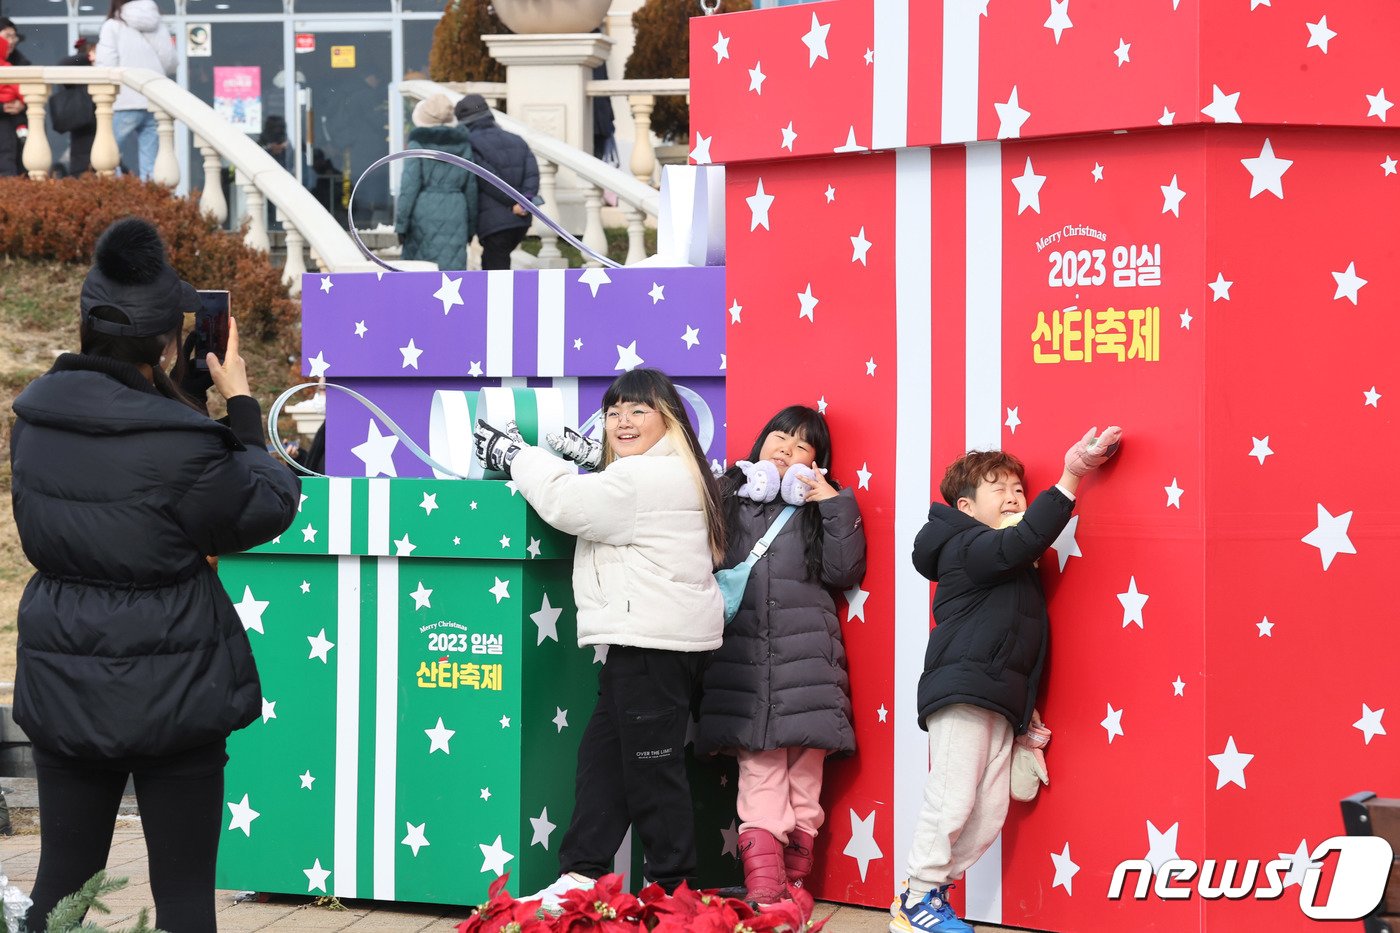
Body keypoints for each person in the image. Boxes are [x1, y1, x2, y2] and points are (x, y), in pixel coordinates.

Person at [10, 217, 300, 932]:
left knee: (60, 887)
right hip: (175, 682)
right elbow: (266, 503)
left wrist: (181, 404)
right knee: (181, 897)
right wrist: (237, 404)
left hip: (64, 667)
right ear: (169, 340)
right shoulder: (184, 444)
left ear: (84, 323)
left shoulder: (34, 420)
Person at [473, 368, 726, 907]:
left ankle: (674, 893)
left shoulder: (646, 479)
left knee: (652, 769)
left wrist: (514, 455)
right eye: (613, 412)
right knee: (603, 762)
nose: (621, 421)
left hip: (654, 643)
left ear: (670, 419)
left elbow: (572, 504)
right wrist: (591, 459)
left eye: (638, 410)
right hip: (645, 642)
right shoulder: (658, 472)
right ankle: (582, 873)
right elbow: (606, 491)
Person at [890, 427, 1122, 933]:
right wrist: (1071, 474)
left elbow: (1022, 639)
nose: (1015, 496)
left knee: (990, 810)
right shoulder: (964, 545)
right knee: (951, 797)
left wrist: (1024, 708)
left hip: (997, 697)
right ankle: (917, 897)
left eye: (1019, 488)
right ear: (968, 507)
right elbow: (1023, 539)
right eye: (1001, 488)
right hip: (963, 692)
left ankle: (925, 894)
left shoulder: (1011, 565)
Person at [696, 406, 866, 903]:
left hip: (810, 665)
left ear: (817, 464)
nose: (787, 450)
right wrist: (723, 486)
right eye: (779, 438)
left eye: (802, 446)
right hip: (744, 664)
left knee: (805, 780)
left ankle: (791, 887)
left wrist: (833, 502)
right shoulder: (729, 499)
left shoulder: (817, 508)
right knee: (761, 772)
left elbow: (844, 569)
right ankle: (767, 892)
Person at [454, 93, 539, 271]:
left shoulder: (470, 143)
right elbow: (532, 174)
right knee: (498, 262)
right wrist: (524, 202)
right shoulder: (517, 140)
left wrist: (514, 203)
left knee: (495, 273)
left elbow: (488, 179)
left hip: (495, 222)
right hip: (520, 220)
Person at [95, 0, 177, 182]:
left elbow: (105, 66)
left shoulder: (112, 26)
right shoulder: (158, 25)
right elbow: (170, 62)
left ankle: (119, 199)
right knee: (152, 165)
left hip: (124, 100)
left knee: (108, 155)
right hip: (154, 100)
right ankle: (149, 204)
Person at [396, 93, 477, 270]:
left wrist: (401, 225)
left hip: (423, 211)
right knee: (452, 273)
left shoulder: (417, 144)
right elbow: (471, 188)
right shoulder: (464, 145)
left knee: (420, 273)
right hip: (456, 210)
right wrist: (471, 227)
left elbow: (409, 187)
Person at [51, 37, 98, 176]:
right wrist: (87, 57)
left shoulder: (99, 72)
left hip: (97, 123)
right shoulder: (77, 72)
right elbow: (62, 65)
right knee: (81, 163)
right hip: (83, 123)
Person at [0, 29, 25, 177]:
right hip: (8, 114)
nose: (11, 42)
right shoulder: (8, 68)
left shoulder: (17, 63)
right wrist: (22, 101)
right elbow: (19, 89)